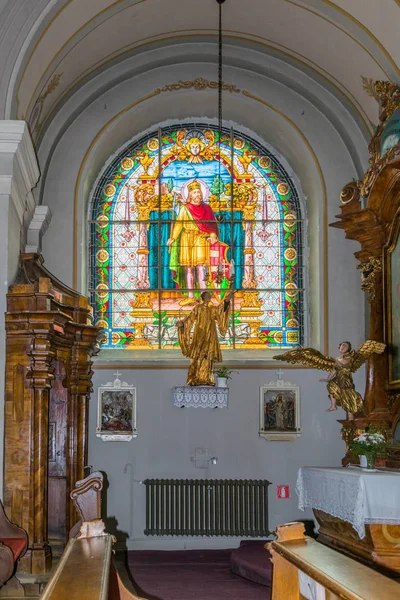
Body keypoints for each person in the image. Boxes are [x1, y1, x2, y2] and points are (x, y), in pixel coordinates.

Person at [167, 180, 219, 306]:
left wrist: (212, 235)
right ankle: (190, 296)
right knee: (188, 269)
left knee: (201, 268)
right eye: (195, 192)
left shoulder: (207, 209)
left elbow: (212, 226)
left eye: (199, 192)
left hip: (200, 239)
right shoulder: (185, 209)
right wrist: (173, 237)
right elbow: (179, 224)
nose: (198, 195)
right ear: (190, 195)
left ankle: (203, 297)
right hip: (186, 239)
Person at [177, 290, 233, 385]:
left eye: (209, 296)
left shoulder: (213, 309)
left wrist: (226, 301)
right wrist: (182, 324)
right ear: (203, 298)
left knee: (208, 356)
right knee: (197, 355)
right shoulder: (198, 308)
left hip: (210, 335)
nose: (209, 297)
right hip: (200, 334)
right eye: (207, 296)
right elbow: (190, 318)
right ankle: (194, 378)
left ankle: (207, 379)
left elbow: (221, 311)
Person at [319, 341, 363, 419]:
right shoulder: (337, 358)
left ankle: (350, 416)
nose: (343, 347)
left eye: (345, 346)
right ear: (339, 347)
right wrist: (328, 378)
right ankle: (333, 406)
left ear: (348, 349)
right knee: (331, 385)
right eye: (342, 345)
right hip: (338, 378)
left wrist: (336, 361)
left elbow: (344, 364)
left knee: (347, 395)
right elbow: (334, 370)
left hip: (345, 379)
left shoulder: (349, 357)